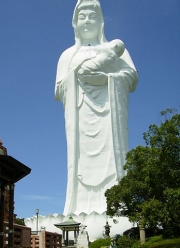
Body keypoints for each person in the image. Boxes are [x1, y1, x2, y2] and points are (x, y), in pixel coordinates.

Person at [55, 0, 138, 216]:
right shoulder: (67, 55)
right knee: (79, 162)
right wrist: (76, 76)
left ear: (101, 21)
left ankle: (121, 208)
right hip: (80, 115)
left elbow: (131, 77)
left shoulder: (115, 50)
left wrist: (107, 79)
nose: (87, 21)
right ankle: (74, 209)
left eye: (92, 16)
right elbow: (58, 89)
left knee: (114, 159)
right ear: (74, 22)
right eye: (82, 16)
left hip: (110, 117)